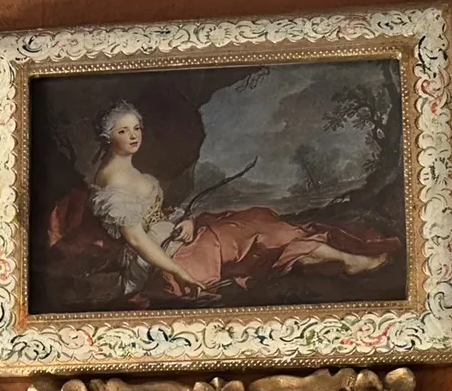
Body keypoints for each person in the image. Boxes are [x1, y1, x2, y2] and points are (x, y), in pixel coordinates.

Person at [45, 101, 397, 302]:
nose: (133, 135)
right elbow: (138, 241)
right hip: (157, 260)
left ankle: (344, 260)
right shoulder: (112, 182)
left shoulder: (129, 169)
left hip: (174, 236)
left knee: (254, 223)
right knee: (249, 236)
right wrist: (179, 272)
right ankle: (348, 261)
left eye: (136, 127)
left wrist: (186, 221)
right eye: (123, 131)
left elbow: (156, 214)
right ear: (107, 137)